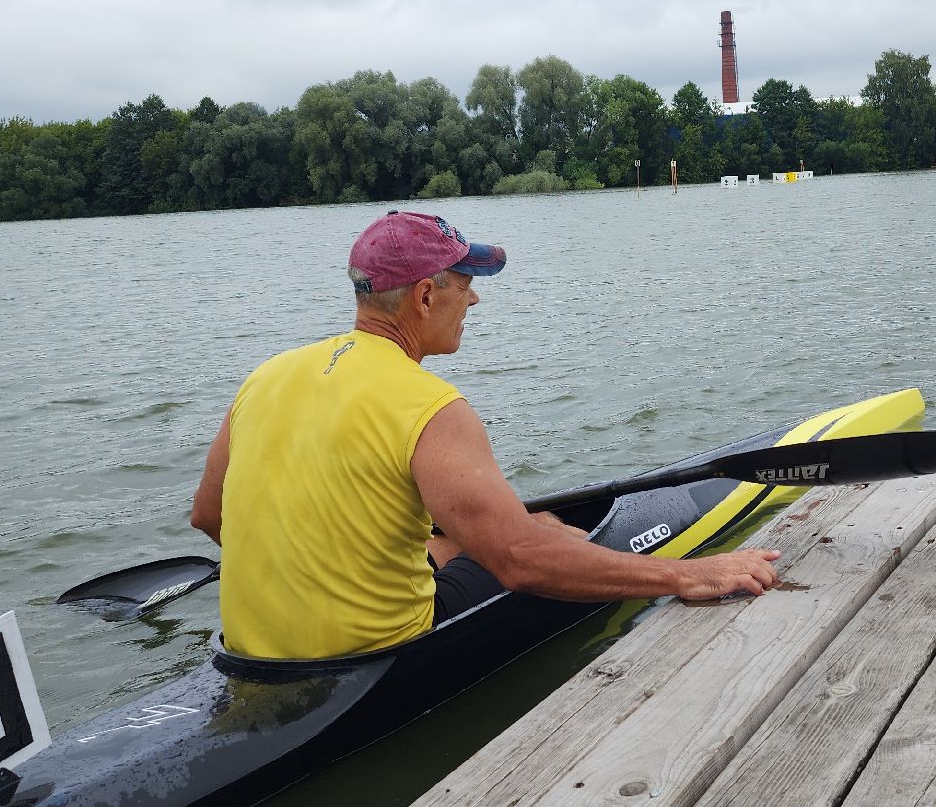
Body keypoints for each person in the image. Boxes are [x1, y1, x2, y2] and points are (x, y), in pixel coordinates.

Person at [190, 210, 781, 659]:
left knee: (467, 537)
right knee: (538, 534)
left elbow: (210, 518)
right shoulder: (429, 404)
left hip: (253, 654)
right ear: (425, 295)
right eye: (464, 280)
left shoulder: (264, 377)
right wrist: (685, 572)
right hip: (373, 655)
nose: (473, 296)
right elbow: (518, 563)